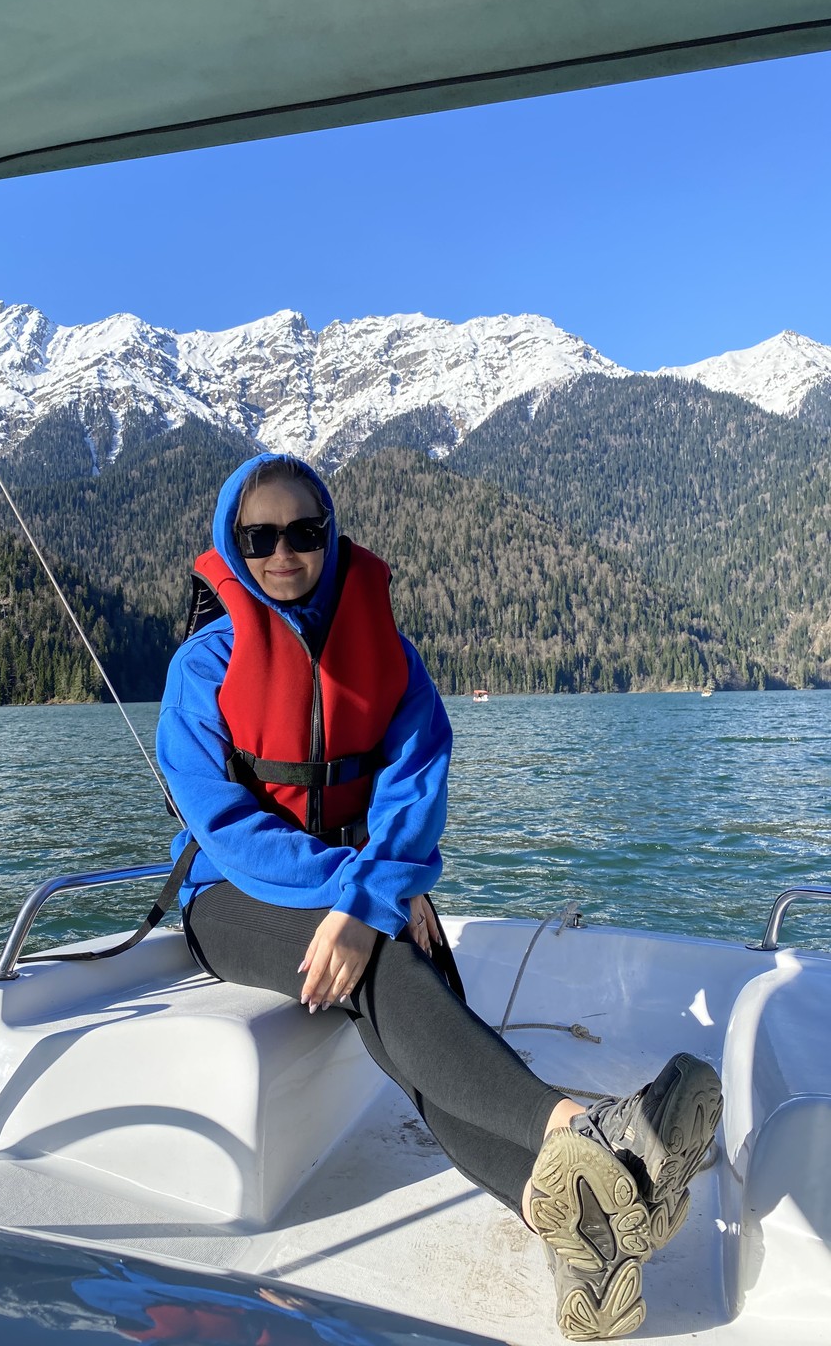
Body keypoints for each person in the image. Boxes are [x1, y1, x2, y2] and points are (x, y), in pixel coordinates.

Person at [156, 453, 722, 1343]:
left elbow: (417, 788)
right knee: (381, 957)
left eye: (304, 531)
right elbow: (224, 826)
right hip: (229, 896)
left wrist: (383, 887)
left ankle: (580, 1238)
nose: (283, 553)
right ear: (234, 545)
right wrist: (365, 895)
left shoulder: (387, 657)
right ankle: (591, 1130)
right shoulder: (204, 666)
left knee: (418, 1009)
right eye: (258, 538)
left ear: (331, 536)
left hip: (356, 884)